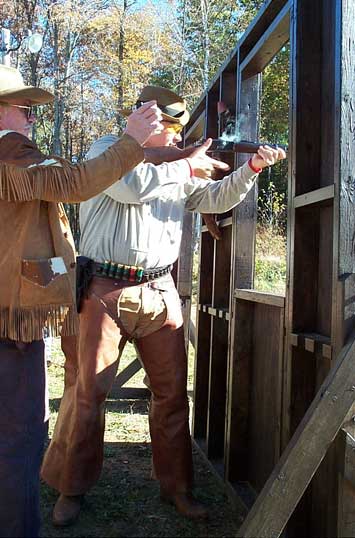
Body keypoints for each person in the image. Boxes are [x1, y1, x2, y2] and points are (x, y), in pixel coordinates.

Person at [41, 85, 286, 526]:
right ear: (146, 122)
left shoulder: (177, 164)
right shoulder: (107, 151)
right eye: (170, 129)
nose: (176, 138)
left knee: (172, 397)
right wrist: (187, 164)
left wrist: (251, 168)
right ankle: (71, 488)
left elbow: (213, 198)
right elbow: (134, 187)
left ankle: (178, 488)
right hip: (102, 289)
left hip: (159, 291)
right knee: (87, 395)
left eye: (178, 131)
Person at [0, 65, 164, 538]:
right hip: (10, 323)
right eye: (25, 110)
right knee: (20, 436)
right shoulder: (12, 152)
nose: (32, 120)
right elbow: (75, 181)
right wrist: (132, 140)